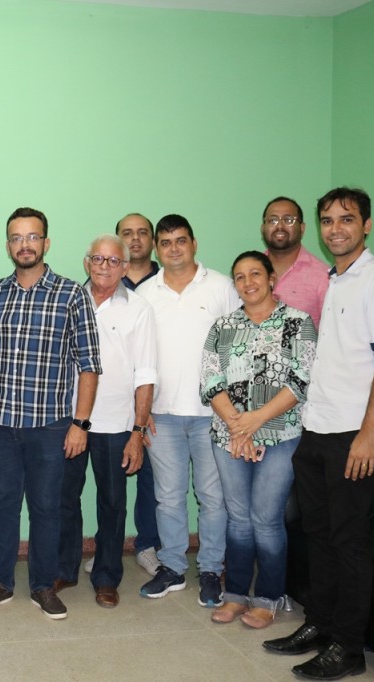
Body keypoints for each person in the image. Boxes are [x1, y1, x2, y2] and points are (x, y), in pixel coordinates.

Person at [263, 188, 374, 680]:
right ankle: (320, 624)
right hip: (319, 424)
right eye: (327, 220)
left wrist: (369, 434)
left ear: (367, 224)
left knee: (348, 539)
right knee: (318, 533)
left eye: (346, 219)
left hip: (355, 431)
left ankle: (348, 647)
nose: (336, 229)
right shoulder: (336, 279)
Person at [0, 207, 102, 620]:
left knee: (47, 507)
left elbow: (89, 364)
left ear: (46, 243)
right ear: (8, 244)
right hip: (0, 423)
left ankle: (43, 585)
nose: (24, 245)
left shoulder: (71, 294)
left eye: (32, 237)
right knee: (2, 505)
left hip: (50, 425)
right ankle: (0, 582)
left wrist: (80, 424)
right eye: (16, 237)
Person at [201, 251, 317, 629]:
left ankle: (268, 597)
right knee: (238, 519)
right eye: (240, 276)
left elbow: (300, 380)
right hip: (229, 435)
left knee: (265, 520)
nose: (248, 282)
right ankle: (235, 595)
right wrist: (239, 427)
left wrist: (255, 421)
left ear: (271, 279)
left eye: (255, 274)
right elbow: (211, 381)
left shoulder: (298, 322)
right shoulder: (223, 326)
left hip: (280, 434)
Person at [137, 214, 240, 607]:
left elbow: (238, 348)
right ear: (157, 249)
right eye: (165, 242)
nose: (174, 248)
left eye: (181, 240)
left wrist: (235, 411)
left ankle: (211, 569)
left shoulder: (222, 287)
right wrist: (141, 411)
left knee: (213, 497)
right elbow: (138, 357)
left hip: (213, 414)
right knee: (168, 497)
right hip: (161, 414)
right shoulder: (146, 293)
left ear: (194, 244)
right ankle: (173, 567)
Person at [57, 234, 157, 608]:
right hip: (69, 419)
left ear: (125, 267)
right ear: (87, 263)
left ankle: (106, 577)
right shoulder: (68, 301)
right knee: (65, 498)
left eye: (114, 261)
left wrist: (138, 431)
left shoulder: (139, 309)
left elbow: (146, 373)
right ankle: (65, 569)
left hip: (117, 424)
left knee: (113, 503)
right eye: (97, 259)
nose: (104, 266)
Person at [109, 212, 163, 577]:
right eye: (127, 233)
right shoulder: (103, 282)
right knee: (111, 483)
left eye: (143, 233)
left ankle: (148, 545)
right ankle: (107, 549)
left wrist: (146, 406)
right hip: (114, 403)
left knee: (152, 480)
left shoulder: (167, 281)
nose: (135, 239)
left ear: (153, 241)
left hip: (160, 401)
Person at [259, 196, 329, 328]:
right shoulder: (249, 272)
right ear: (263, 228)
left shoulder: (324, 277)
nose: (280, 226)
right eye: (273, 220)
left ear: (302, 228)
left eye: (288, 220)